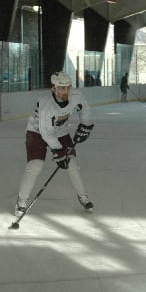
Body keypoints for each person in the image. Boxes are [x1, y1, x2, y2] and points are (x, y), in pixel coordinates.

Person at [14, 71, 95, 217]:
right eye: (62, 88)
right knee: (35, 165)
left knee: (71, 163)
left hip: (60, 131)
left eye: (68, 87)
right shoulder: (46, 104)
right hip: (37, 132)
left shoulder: (76, 95)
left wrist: (85, 126)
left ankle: (83, 196)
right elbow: (46, 133)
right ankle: (21, 200)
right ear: (54, 88)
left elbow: (85, 110)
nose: (66, 91)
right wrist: (58, 152)